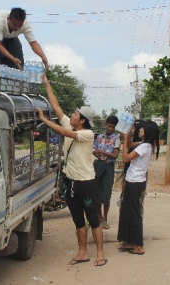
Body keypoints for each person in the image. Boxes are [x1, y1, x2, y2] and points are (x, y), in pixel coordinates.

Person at [36, 74, 107, 267]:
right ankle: (83, 252)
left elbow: (65, 133)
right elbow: (57, 107)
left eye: (75, 114)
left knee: (93, 218)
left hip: (86, 183)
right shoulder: (71, 124)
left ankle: (100, 252)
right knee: (77, 219)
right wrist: (47, 84)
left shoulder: (87, 133)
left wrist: (43, 119)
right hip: (71, 182)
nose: (72, 115)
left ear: (82, 120)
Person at [117, 121, 160, 255]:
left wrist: (124, 140)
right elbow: (130, 145)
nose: (139, 130)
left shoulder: (144, 147)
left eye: (141, 129)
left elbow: (125, 158)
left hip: (134, 182)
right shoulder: (145, 145)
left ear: (147, 132)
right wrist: (127, 136)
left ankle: (138, 245)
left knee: (134, 214)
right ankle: (130, 241)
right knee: (128, 212)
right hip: (134, 181)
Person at [93, 115, 120, 230]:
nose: (110, 129)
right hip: (99, 165)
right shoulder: (99, 137)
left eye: (113, 127)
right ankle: (98, 215)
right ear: (105, 124)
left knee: (107, 192)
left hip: (109, 166)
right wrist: (97, 153)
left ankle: (105, 218)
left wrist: (101, 151)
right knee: (97, 191)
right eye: (109, 126)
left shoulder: (116, 138)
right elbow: (94, 150)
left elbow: (115, 155)